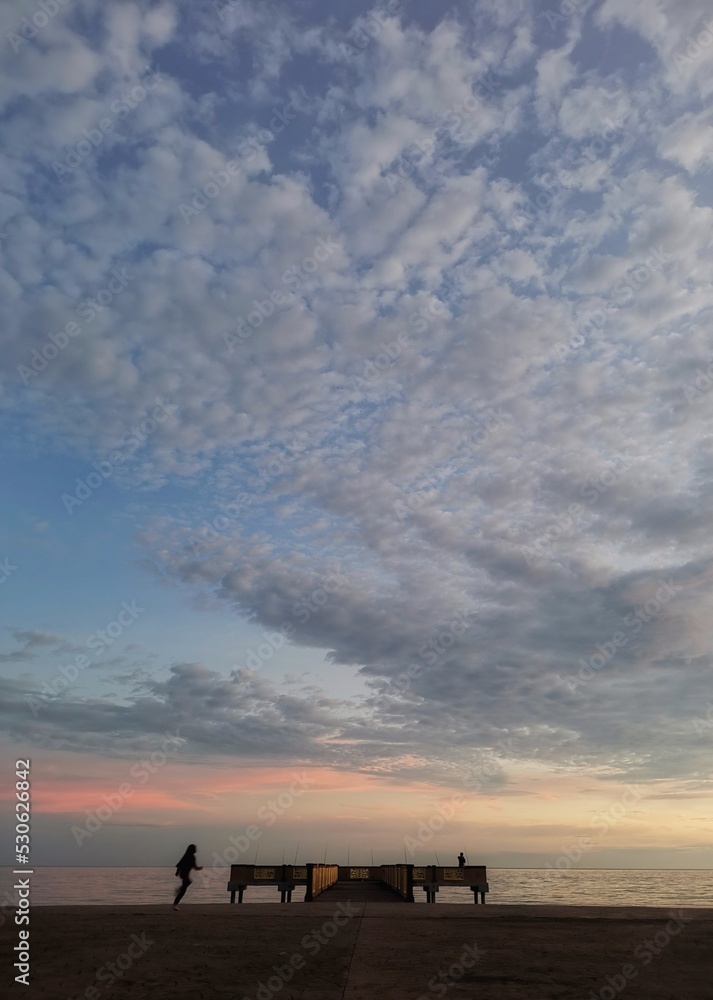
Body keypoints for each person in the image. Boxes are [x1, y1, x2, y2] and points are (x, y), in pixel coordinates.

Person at [173, 844, 203, 909]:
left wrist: (177, 872)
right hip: (184, 874)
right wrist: (200, 868)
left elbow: (179, 864)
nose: (196, 849)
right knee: (183, 890)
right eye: (195, 848)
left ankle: (178, 891)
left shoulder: (186, 856)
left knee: (187, 884)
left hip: (183, 874)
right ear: (192, 850)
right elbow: (195, 867)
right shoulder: (192, 857)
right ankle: (175, 904)